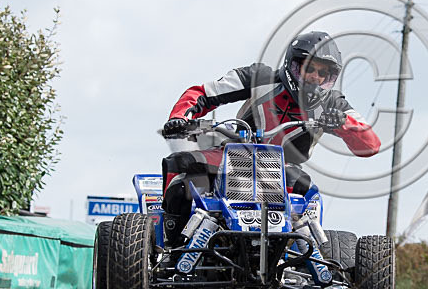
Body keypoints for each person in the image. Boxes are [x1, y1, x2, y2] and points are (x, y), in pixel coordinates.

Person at [160, 31, 381, 247]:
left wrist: (343, 123)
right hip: (231, 156)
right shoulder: (260, 78)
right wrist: (180, 117)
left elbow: (371, 144)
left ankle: (304, 252)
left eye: (322, 73)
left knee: (307, 191)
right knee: (180, 165)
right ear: (293, 65)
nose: (315, 76)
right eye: (309, 68)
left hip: (284, 168)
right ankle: (171, 245)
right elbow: (203, 93)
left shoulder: (334, 104)